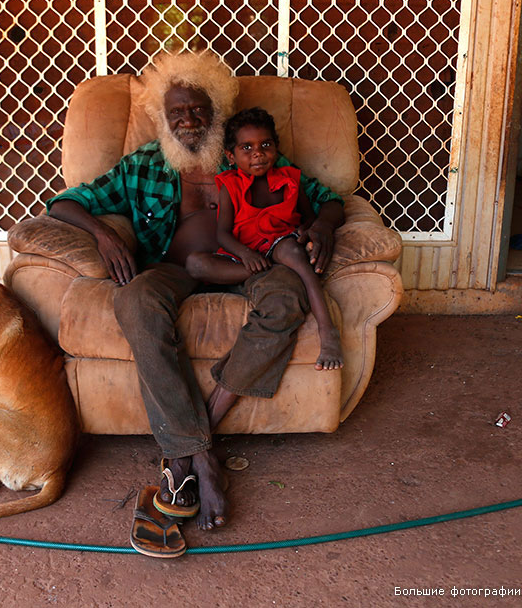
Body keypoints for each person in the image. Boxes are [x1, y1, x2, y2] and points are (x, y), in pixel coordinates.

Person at [46, 51, 345, 531]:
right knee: (134, 299)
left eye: (198, 108)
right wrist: (102, 234)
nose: (188, 119)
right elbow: (64, 202)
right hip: (177, 268)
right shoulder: (144, 164)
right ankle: (203, 459)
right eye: (176, 111)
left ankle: (191, 439)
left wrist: (325, 227)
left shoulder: (250, 153)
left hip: (254, 261)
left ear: (217, 110)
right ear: (163, 119)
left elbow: (327, 198)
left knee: (287, 297)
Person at [185, 107, 343, 370]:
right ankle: (265, 272)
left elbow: (308, 217)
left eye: (265, 145)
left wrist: (306, 229)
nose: (257, 153)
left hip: (280, 243)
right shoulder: (229, 185)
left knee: (294, 253)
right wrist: (246, 255)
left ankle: (328, 333)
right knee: (195, 264)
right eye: (246, 148)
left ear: (277, 149)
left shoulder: (291, 179)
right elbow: (223, 233)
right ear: (230, 156)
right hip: (245, 255)